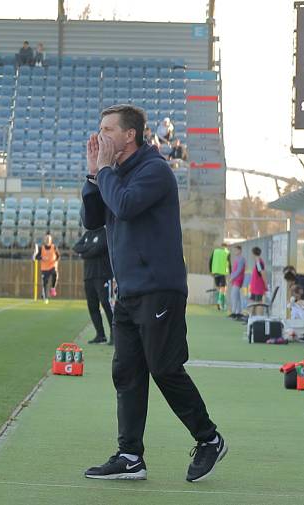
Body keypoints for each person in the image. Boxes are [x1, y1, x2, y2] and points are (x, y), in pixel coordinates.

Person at [81, 104, 225, 482]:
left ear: (130, 135)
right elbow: (93, 219)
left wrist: (106, 171)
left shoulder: (155, 169)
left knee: (163, 367)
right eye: (100, 129)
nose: (101, 136)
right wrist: (93, 174)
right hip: (128, 290)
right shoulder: (117, 172)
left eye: (108, 129)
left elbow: (126, 206)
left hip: (159, 288)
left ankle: (209, 438)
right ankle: (130, 456)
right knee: (126, 371)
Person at [72, 226, 114, 344]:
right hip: (89, 276)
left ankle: (114, 334)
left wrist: (84, 252)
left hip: (102, 275)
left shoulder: (104, 233)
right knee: (92, 306)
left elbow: (98, 249)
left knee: (106, 304)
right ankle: (100, 335)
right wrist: (88, 249)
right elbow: (76, 247)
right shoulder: (87, 234)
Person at [34, 234, 60, 304]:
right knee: (45, 283)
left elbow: (58, 256)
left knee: (55, 274)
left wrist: (56, 262)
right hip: (44, 268)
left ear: (51, 240)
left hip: (52, 266)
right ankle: (45, 298)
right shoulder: (41, 248)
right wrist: (42, 258)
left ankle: (53, 288)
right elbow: (36, 257)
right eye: (46, 239)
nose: (48, 240)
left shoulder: (54, 247)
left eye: (49, 239)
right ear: (44, 240)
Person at [208, 243, 230, 311]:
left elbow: (210, 261)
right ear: (226, 247)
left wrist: (211, 271)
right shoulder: (227, 252)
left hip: (215, 272)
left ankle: (220, 304)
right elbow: (229, 263)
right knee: (223, 289)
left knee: (219, 288)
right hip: (222, 273)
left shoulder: (215, 251)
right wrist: (230, 272)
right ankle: (220, 303)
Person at [228, 245, 246, 320]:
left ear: (240, 251)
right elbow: (234, 270)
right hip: (235, 280)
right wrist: (231, 277)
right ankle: (237, 312)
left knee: (234, 296)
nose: (235, 252)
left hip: (238, 280)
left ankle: (234, 312)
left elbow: (239, 270)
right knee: (237, 297)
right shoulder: (237, 259)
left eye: (236, 250)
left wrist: (232, 278)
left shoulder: (241, 259)